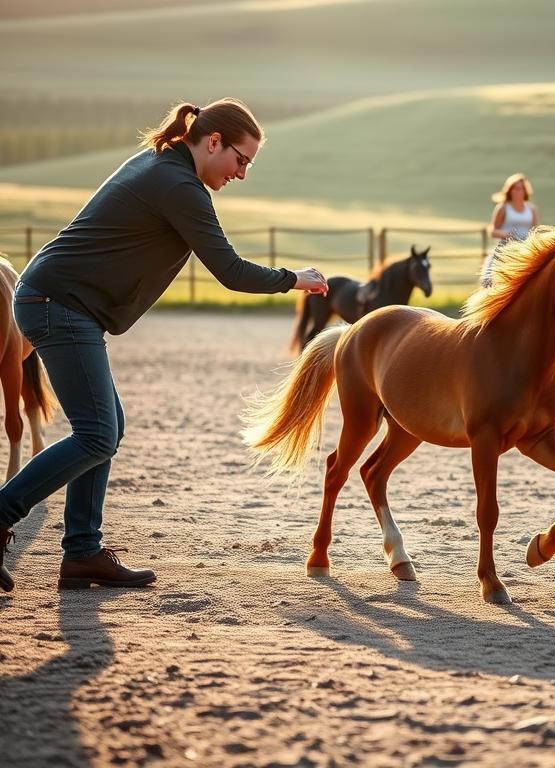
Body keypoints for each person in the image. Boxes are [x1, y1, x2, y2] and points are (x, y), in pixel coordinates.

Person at [0, 98, 328, 592]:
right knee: (96, 433)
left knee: (106, 429)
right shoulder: (177, 185)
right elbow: (231, 272)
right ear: (213, 141)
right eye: (242, 160)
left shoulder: (163, 164)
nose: (242, 173)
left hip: (65, 304)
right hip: (57, 303)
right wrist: (294, 279)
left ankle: (83, 552)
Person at [481, 173, 539, 287]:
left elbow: (535, 229)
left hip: (525, 248)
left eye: (521, 188)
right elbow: (492, 230)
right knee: (488, 281)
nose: (518, 192)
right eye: (515, 189)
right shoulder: (502, 208)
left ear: (525, 191)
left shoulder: (531, 209)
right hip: (505, 248)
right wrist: (505, 234)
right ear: (509, 191)